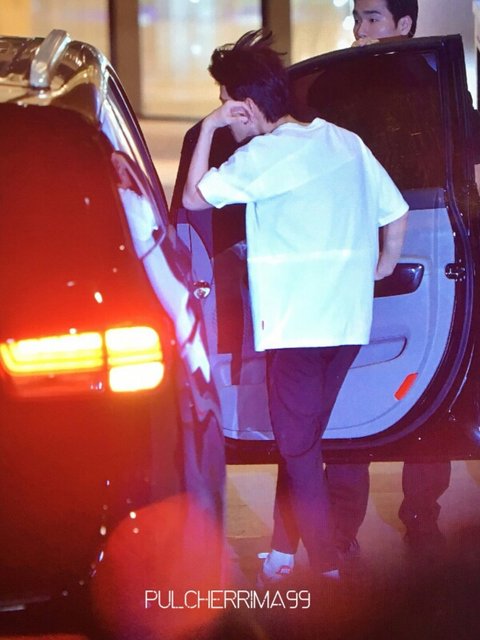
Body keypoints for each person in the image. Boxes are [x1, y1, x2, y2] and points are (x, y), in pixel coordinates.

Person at [182, 29, 409, 583]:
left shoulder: (262, 155)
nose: (225, 116)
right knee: (302, 442)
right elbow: (396, 210)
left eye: (226, 105)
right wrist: (382, 265)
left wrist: (208, 129)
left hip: (296, 328)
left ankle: (327, 565)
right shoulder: (344, 141)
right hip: (347, 326)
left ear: (245, 105)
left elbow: (192, 199)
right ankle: (284, 552)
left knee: (298, 444)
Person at [325, 0, 452, 557]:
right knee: (354, 381)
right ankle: (347, 531)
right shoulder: (342, 79)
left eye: (372, 18)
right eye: (357, 18)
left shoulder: (434, 81)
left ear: (404, 24)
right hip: (358, 239)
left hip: (424, 236)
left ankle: (418, 518)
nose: (360, 29)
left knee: (428, 378)